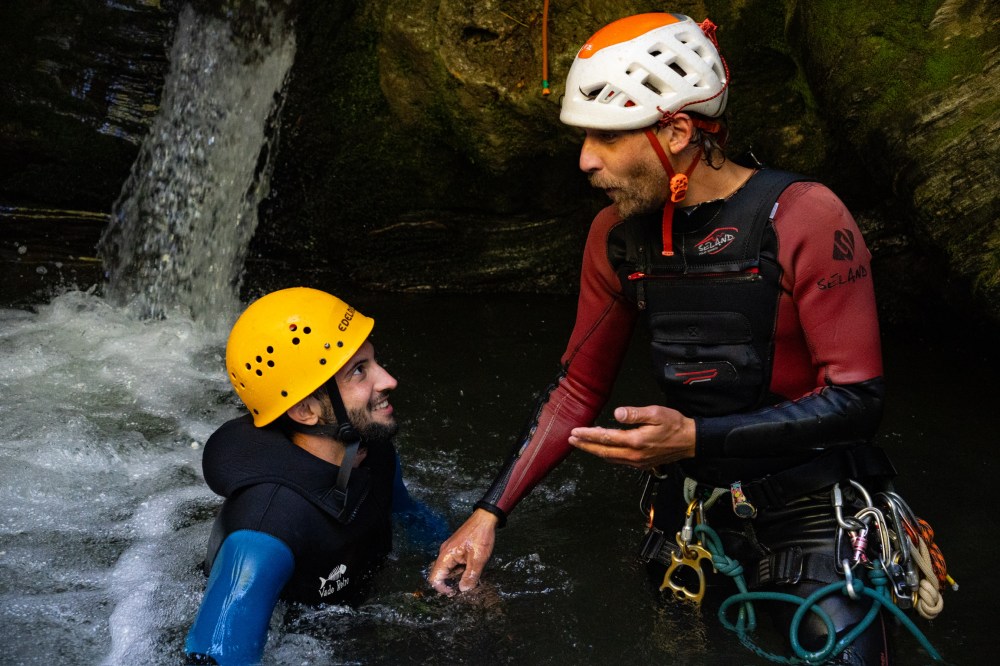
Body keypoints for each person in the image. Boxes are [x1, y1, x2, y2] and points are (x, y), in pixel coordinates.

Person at [429, 12, 898, 664]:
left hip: (813, 509)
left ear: (676, 132)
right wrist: (488, 516)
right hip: (690, 516)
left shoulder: (805, 216)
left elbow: (859, 401)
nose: (584, 160)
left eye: (605, 136)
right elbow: (579, 385)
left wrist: (692, 438)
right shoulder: (614, 239)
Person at [186, 287, 446, 665]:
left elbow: (411, 517)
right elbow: (214, 658)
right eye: (359, 371)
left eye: (374, 361)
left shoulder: (369, 452)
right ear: (306, 410)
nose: (388, 380)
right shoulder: (265, 532)